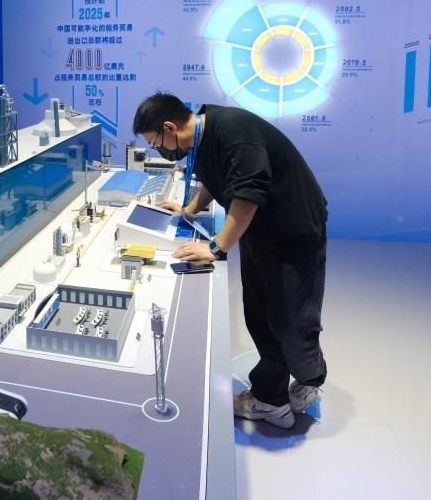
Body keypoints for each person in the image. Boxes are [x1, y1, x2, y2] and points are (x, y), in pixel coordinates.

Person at [133, 92, 328, 429]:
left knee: (293, 321)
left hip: (292, 231)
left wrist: (216, 247)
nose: (158, 150)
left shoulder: (233, 132)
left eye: (155, 143)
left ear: (169, 128)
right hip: (259, 231)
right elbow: (216, 179)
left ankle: (310, 381)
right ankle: (271, 399)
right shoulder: (203, 136)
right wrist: (189, 210)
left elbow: (248, 194)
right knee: (260, 314)